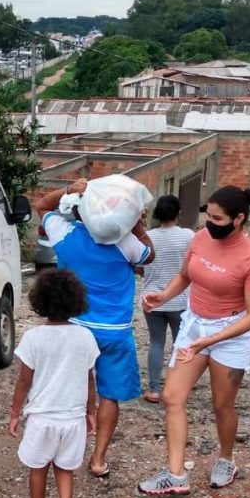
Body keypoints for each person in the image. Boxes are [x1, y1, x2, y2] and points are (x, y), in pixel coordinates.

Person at [138, 186, 250, 495]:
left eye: (217, 218)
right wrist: (163, 295)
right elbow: (185, 275)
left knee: (222, 406)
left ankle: (226, 459)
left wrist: (213, 339)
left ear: (238, 219)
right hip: (195, 324)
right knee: (171, 396)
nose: (209, 223)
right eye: (207, 216)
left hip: (231, 333)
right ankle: (175, 474)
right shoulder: (199, 238)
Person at [35, 177, 155, 479]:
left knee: (71, 393)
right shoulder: (125, 242)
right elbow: (149, 255)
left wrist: (68, 190)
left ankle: (62, 455)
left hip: (74, 329)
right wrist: (135, 224)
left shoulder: (64, 235)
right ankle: (98, 459)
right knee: (109, 396)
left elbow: (42, 206)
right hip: (115, 332)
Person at [8, 269, 99, 498]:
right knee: (65, 468)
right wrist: (90, 412)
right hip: (72, 418)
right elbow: (90, 379)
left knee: (38, 469)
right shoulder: (85, 337)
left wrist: (14, 413)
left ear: (40, 302)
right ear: (76, 301)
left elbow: (24, 381)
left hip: (42, 418)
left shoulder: (34, 338)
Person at [140, 195, 196, 403]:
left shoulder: (146, 236)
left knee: (155, 342)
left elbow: (139, 264)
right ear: (178, 213)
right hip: (180, 299)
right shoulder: (189, 236)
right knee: (179, 344)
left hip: (151, 299)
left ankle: (154, 389)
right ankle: (175, 387)